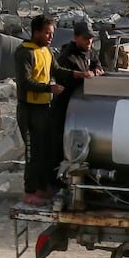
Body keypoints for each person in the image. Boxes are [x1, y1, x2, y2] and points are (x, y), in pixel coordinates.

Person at [13, 14, 67, 207]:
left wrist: (81, 75)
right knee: (32, 153)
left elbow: (58, 71)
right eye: (47, 33)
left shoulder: (47, 51)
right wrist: (49, 88)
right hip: (29, 110)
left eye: (52, 33)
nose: (50, 37)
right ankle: (29, 192)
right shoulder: (24, 52)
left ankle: (41, 187)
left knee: (44, 151)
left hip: (44, 108)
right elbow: (25, 82)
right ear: (36, 32)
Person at [50, 20, 103, 172]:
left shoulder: (90, 51)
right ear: (76, 37)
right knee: (60, 146)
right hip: (65, 108)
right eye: (85, 38)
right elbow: (62, 79)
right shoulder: (67, 57)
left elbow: (96, 63)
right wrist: (80, 76)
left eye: (91, 38)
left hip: (83, 108)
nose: (89, 41)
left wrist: (97, 70)